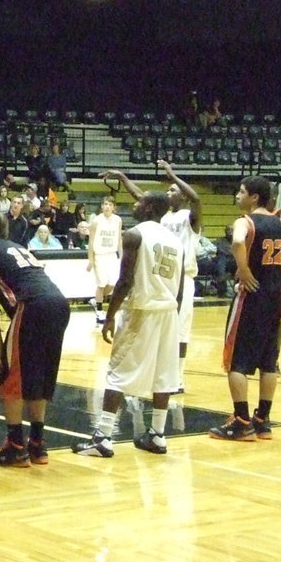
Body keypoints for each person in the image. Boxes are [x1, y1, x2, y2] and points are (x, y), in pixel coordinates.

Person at [209, 176, 281, 442]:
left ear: (254, 197)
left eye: (241, 191)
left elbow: (236, 242)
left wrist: (244, 269)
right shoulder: (280, 223)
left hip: (252, 294)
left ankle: (241, 422)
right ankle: (263, 420)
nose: (237, 196)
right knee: (269, 361)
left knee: (236, 360)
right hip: (276, 297)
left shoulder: (244, 222)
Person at [75, 191, 184, 457]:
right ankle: (157, 435)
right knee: (164, 375)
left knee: (117, 371)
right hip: (169, 311)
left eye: (139, 201)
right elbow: (179, 289)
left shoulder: (135, 234)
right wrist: (173, 312)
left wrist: (110, 315)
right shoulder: (175, 240)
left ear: (148, 208)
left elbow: (125, 281)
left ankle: (103, 437)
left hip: (141, 310)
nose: (134, 204)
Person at [0, 208, 71, 467]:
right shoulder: (17, 246)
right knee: (39, 374)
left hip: (33, 305)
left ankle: (15, 446)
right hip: (59, 303)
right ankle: (37, 444)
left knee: (10, 373)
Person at [102, 160, 202, 391]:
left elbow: (196, 199)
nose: (169, 191)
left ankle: (178, 376)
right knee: (153, 328)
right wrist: (122, 177)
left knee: (180, 330)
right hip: (159, 276)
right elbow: (142, 198)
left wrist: (172, 174)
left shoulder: (190, 217)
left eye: (174, 190)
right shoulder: (161, 218)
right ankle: (153, 375)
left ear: (183, 196)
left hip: (182, 278)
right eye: (168, 190)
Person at [86, 196, 123, 323]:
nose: (107, 206)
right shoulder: (96, 221)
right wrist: (91, 259)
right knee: (101, 284)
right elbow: (90, 241)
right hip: (99, 255)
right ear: (102, 206)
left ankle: (95, 300)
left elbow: (119, 239)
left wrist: (122, 256)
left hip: (112, 255)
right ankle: (100, 311)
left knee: (112, 284)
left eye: (110, 204)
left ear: (114, 207)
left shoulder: (118, 220)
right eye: (105, 204)